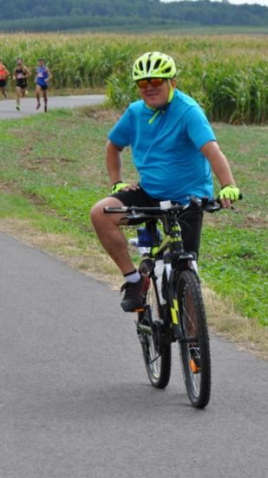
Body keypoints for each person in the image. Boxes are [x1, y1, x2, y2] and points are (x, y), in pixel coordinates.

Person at [89, 51, 240, 312]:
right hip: (149, 193)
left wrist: (228, 185)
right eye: (142, 83)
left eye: (156, 81)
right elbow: (113, 147)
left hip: (189, 198)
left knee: (187, 270)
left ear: (172, 83)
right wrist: (117, 182)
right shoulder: (135, 113)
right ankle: (134, 280)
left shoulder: (188, 111)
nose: (150, 88)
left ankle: (193, 346)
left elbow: (212, 151)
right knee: (100, 213)